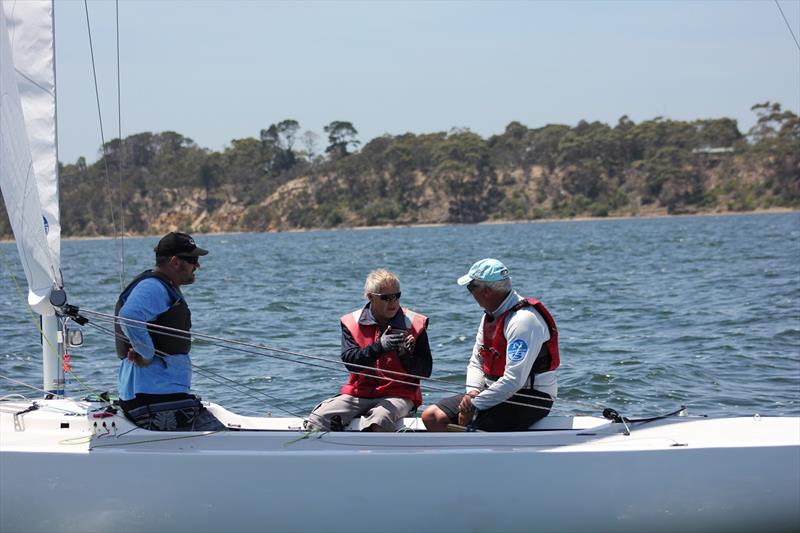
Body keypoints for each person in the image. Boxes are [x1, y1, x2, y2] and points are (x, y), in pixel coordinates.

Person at [421, 258, 559, 432]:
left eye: (471, 288)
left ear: (486, 291)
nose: (470, 293)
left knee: (474, 424)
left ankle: (473, 454)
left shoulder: (523, 321)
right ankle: (456, 455)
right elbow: (476, 361)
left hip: (531, 396)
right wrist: (472, 393)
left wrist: (474, 405)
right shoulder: (491, 314)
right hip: (493, 391)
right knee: (433, 416)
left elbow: (514, 380)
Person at [114, 231, 225, 432]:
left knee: (224, 437)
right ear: (175, 262)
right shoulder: (154, 286)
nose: (197, 266)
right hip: (154, 399)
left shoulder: (161, 285)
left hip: (156, 396)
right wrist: (146, 353)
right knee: (224, 441)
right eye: (192, 260)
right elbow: (129, 315)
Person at [307, 269, 433, 432]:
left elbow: (425, 371)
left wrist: (406, 357)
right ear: (370, 298)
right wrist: (380, 347)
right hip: (359, 393)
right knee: (319, 418)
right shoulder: (351, 322)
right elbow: (351, 363)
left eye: (397, 296)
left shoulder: (416, 323)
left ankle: (373, 455)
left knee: (379, 419)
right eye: (386, 298)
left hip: (400, 395)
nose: (393, 302)